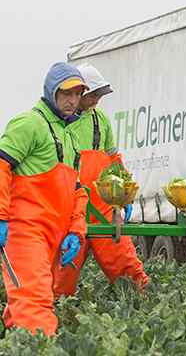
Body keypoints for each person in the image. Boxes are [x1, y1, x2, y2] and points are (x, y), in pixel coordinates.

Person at [0, 62, 88, 335]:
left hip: (53, 238)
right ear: (51, 92)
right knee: (35, 308)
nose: (72, 101)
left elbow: (77, 190)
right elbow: (1, 166)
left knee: (26, 306)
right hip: (25, 233)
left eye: (77, 94)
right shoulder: (29, 124)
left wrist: (76, 229)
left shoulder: (68, 135)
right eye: (66, 94)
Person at [53, 64, 148, 297]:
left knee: (125, 261)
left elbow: (114, 160)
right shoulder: (57, 123)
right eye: (93, 94)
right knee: (64, 270)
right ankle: (53, 316)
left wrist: (124, 195)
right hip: (70, 208)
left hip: (102, 208)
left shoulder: (101, 121)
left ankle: (142, 302)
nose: (97, 99)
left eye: (100, 94)